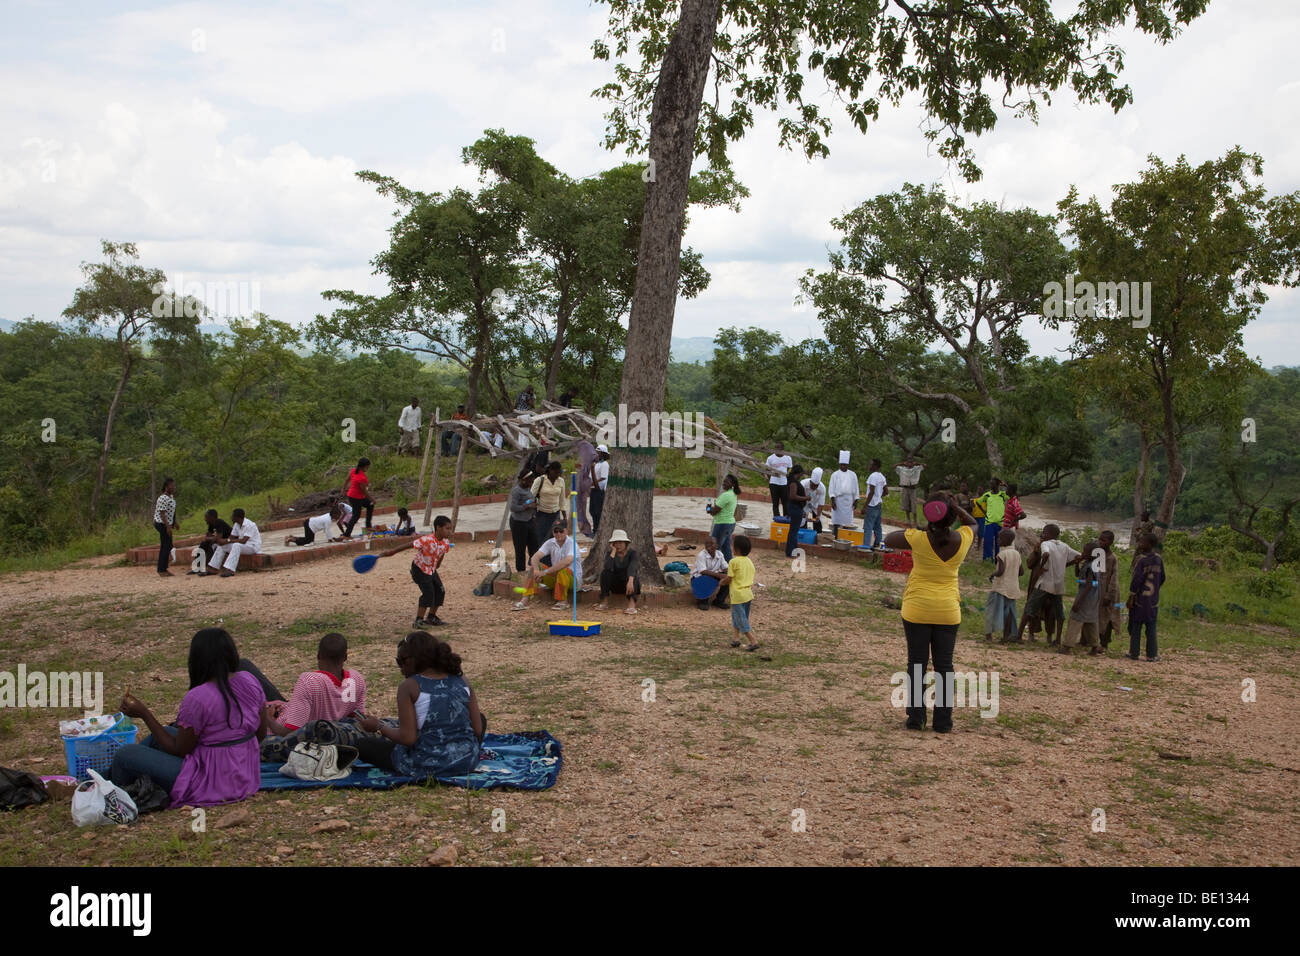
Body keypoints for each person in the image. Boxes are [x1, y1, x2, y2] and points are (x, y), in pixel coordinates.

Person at [109, 628, 266, 806]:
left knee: (125, 754)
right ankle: (107, 776)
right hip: (245, 775)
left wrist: (145, 714)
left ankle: (111, 792)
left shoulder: (198, 698)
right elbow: (259, 735)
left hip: (211, 782)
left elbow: (180, 749)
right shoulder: (250, 680)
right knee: (162, 734)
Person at [883, 493, 977, 732]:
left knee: (916, 664)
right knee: (945, 666)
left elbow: (888, 538)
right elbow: (974, 523)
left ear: (930, 517)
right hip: (948, 611)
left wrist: (924, 526)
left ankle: (916, 719)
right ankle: (943, 722)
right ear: (952, 517)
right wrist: (956, 508)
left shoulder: (917, 538)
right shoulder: (962, 538)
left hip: (917, 609)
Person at [351, 632, 483, 778]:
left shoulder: (410, 686)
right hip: (467, 762)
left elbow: (408, 738)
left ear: (416, 660)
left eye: (402, 661)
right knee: (480, 718)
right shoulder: (462, 680)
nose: (400, 668)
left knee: (362, 745)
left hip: (428, 764)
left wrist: (379, 727)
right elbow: (477, 730)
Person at [262, 632, 368, 739]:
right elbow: (357, 719)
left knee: (244, 665)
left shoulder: (309, 681)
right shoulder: (357, 680)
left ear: (318, 655)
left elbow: (291, 734)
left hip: (279, 727)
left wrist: (268, 719)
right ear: (345, 657)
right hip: (286, 709)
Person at [382, 515, 453, 628]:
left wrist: (437, 565)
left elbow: (442, 553)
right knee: (428, 593)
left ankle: (431, 617)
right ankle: (418, 620)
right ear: (438, 528)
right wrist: (392, 551)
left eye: (450, 529)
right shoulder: (426, 540)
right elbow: (409, 545)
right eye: (447, 528)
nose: (449, 531)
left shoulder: (445, 542)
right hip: (419, 569)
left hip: (431, 569)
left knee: (440, 591)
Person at [1020, 524, 1079, 645]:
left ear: (1051, 534)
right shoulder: (1062, 546)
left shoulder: (1045, 545)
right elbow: (1030, 564)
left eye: (1044, 532)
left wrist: (1041, 566)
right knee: (1054, 612)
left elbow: (1045, 556)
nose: (1042, 535)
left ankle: (1021, 635)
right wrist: (1036, 552)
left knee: (1034, 609)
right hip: (1055, 584)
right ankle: (1047, 636)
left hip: (1042, 582)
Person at [513, 521, 581, 611]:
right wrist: (537, 571)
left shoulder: (572, 544)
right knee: (533, 569)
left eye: (561, 531)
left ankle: (563, 601)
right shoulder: (550, 542)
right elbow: (535, 557)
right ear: (553, 533)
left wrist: (545, 572)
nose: (558, 534)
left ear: (566, 531)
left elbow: (567, 562)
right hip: (555, 576)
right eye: (555, 531)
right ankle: (525, 600)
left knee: (563, 569)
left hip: (573, 579)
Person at [1061, 533, 1106, 656]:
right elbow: (1078, 576)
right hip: (1093, 599)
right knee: (1091, 622)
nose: (1083, 553)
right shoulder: (1090, 564)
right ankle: (1094, 647)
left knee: (1075, 620)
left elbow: (1090, 584)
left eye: (1085, 552)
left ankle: (1067, 646)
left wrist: (1079, 602)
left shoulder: (1091, 566)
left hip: (1086, 598)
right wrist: (1076, 563)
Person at [1127, 532, 1166, 661]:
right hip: (1153, 600)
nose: (1140, 544)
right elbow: (1162, 578)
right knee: (1151, 627)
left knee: (1136, 627)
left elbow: (1136, 580)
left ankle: (1134, 653)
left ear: (1149, 544)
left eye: (1142, 542)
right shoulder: (1159, 559)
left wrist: (1131, 596)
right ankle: (1152, 654)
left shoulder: (1142, 560)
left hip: (1140, 600)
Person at [720, 534, 757, 651]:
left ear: (736, 549)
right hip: (748, 594)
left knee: (741, 619)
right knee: (738, 617)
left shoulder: (733, 562)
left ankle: (753, 641)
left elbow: (729, 578)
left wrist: (722, 582)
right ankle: (735, 639)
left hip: (737, 595)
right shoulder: (749, 562)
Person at [986, 528, 1023, 642]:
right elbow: (1021, 572)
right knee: (1009, 614)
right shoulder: (1017, 554)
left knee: (991, 610)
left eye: (1000, 538)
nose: (998, 540)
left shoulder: (1001, 554)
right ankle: (1005, 637)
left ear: (1005, 540)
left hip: (1000, 587)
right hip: (1012, 588)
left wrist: (992, 574)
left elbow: (1000, 571)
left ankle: (988, 636)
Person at [595, 529, 641, 614]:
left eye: (620, 543)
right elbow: (607, 567)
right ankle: (604, 602)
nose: (618, 545)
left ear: (625, 543)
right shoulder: (610, 553)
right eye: (616, 543)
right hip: (615, 584)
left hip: (628, 584)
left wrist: (630, 581)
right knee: (605, 573)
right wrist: (613, 552)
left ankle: (631, 605)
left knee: (633, 577)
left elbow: (633, 567)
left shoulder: (632, 553)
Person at [210, 508, 261, 578]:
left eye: (232, 516)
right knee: (222, 546)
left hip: (253, 546)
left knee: (236, 545)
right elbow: (231, 538)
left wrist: (229, 541)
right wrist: (223, 542)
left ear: (237, 517)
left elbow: (244, 540)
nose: (231, 518)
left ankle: (230, 569)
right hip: (244, 545)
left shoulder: (250, 525)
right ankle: (214, 567)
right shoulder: (236, 524)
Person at [530, 461, 567, 548]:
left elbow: (562, 500)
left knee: (555, 539)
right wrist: (531, 506)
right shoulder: (540, 480)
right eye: (556, 472)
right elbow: (530, 497)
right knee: (542, 539)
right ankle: (541, 560)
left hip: (555, 514)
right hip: (542, 515)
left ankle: (552, 560)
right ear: (550, 470)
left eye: (559, 472)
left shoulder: (561, 481)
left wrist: (564, 517)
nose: (558, 475)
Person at [1095, 530, 1122, 650]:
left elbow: (1114, 578)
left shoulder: (1112, 558)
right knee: (1097, 616)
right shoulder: (1098, 555)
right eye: (1099, 539)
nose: (1100, 542)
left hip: (1109, 591)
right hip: (1098, 590)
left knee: (1107, 617)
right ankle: (1092, 640)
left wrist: (1109, 595)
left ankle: (1104, 644)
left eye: (1103, 540)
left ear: (1111, 542)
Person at [508, 472, 539, 573]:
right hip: (518, 523)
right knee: (520, 549)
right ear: (523, 480)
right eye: (530, 481)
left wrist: (533, 505)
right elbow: (513, 507)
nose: (531, 483)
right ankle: (521, 572)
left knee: (534, 546)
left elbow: (528, 501)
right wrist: (527, 506)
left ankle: (534, 569)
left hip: (529, 521)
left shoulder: (528, 489)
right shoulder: (516, 491)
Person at [691, 536, 730, 610]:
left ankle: (719, 601)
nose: (709, 546)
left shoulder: (719, 554)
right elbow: (703, 571)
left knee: (728, 578)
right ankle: (702, 601)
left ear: (716, 545)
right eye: (707, 544)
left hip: (712, 575)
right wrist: (720, 575)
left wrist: (729, 574)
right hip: (698, 578)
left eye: (712, 543)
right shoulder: (701, 555)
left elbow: (725, 567)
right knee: (706, 579)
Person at [707, 474, 740, 562]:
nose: (723, 483)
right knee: (726, 548)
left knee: (714, 547)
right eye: (724, 481)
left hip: (722, 524)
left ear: (732, 484)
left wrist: (709, 509)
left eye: (726, 482)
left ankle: (713, 568)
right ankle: (729, 568)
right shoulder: (733, 494)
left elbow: (715, 511)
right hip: (729, 524)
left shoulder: (726, 495)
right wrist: (711, 510)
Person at [828, 451, 860, 536]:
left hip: (849, 501)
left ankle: (845, 537)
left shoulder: (853, 475)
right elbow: (831, 488)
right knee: (836, 521)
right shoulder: (835, 475)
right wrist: (833, 501)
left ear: (847, 465)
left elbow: (856, 488)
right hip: (838, 500)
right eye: (841, 464)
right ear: (839, 465)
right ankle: (835, 536)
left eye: (845, 465)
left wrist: (856, 500)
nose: (843, 466)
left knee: (847, 522)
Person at [975, 479, 1009, 561]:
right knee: (987, 542)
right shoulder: (987, 495)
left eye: (992, 484)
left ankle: (998, 559)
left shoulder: (1002, 495)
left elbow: (1012, 495)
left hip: (1000, 523)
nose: (990, 486)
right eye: (990, 484)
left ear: (997, 485)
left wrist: (1005, 485)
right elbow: (978, 503)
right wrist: (984, 512)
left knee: (999, 543)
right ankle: (987, 559)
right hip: (989, 523)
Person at [153, 477, 180, 577]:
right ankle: (162, 569)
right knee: (166, 545)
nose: (173, 487)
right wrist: (168, 527)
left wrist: (174, 522)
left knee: (167, 545)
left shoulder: (171, 497)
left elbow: (172, 511)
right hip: (161, 523)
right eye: (171, 485)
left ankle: (163, 569)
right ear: (166, 487)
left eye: (174, 485)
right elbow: (162, 514)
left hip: (167, 523)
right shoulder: (163, 498)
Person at [340, 458, 374, 537]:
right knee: (356, 516)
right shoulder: (362, 477)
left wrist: (343, 489)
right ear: (364, 466)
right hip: (356, 498)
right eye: (368, 467)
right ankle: (347, 534)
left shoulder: (353, 471)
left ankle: (368, 525)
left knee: (370, 505)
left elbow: (347, 480)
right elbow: (364, 491)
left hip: (353, 496)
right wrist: (371, 498)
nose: (368, 469)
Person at [195, 508, 232, 575]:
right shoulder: (211, 524)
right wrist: (210, 538)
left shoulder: (219, 522)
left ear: (212, 517)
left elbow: (217, 538)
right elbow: (208, 536)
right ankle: (198, 566)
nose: (205, 519)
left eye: (206, 517)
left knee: (211, 545)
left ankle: (207, 567)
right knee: (204, 544)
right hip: (219, 542)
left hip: (227, 541)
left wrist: (210, 538)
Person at [784, 465, 809, 557]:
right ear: (798, 473)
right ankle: (791, 552)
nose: (801, 475)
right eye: (801, 474)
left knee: (793, 530)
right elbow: (793, 496)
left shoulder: (792, 481)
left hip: (795, 507)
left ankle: (792, 550)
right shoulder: (793, 483)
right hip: (795, 507)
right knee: (793, 531)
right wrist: (806, 498)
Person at [893, 456, 924, 529]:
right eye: (908, 462)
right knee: (906, 504)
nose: (910, 464)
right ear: (906, 462)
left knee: (914, 505)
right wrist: (902, 463)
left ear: (913, 463)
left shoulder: (916, 469)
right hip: (905, 488)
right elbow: (893, 466)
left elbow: (924, 465)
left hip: (913, 489)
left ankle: (915, 521)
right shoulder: (902, 469)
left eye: (911, 462)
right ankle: (908, 520)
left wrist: (917, 463)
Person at [864, 459, 888, 549]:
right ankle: (878, 545)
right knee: (877, 526)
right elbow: (886, 491)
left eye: (871, 464)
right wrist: (879, 496)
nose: (869, 466)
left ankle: (866, 546)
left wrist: (865, 506)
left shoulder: (872, 476)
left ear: (875, 466)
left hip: (872, 505)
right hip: (878, 504)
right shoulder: (882, 477)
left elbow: (871, 492)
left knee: (868, 527)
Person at [765, 442, 793, 518]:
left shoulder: (788, 458)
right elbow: (767, 470)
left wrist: (784, 476)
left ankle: (786, 518)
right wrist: (770, 480)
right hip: (773, 483)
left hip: (784, 483)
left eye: (778, 448)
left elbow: (788, 469)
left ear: (782, 449)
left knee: (785, 503)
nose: (776, 449)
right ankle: (777, 517)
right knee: (775, 503)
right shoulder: (770, 458)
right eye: (775, 448)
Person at [588, 445, 610, 535]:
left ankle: (598, 530)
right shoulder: (596, 464)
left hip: (599, 490)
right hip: (593, 489)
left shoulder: (604, 464)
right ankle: (595, 528)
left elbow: (603, 478)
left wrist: (594, 483)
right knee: (592, 510)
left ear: (602, 454)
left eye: (598, 452)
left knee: (598, 511)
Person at [801, 467, 826, 533]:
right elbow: (798, 498)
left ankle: (817, 535)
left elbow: (821, 503)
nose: (814, 487)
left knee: (818, 521)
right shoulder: (803, 484)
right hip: (803, 504)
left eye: (816, 486)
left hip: (815, 505)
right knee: (802, 521)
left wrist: (818, 515)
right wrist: (801, 510)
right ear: (810, 481)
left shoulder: (822, 488)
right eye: (812, 485)